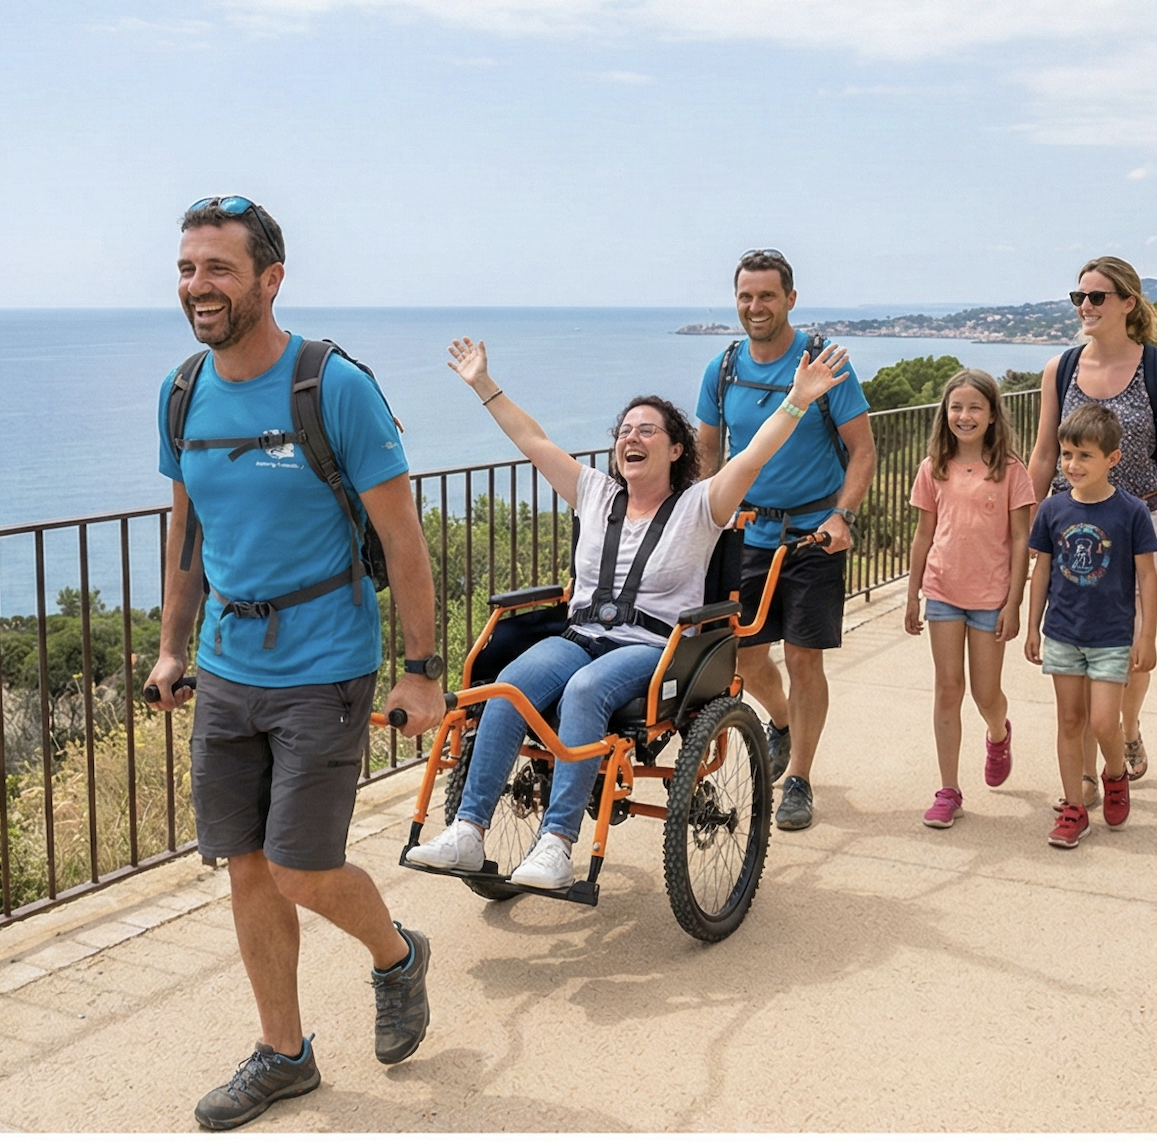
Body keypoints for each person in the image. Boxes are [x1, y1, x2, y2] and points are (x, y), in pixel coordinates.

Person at [144, 196, 446, 1131]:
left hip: (326, 664)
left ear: (270, 279)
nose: (200, 286)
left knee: (300, 868)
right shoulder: (183, 391)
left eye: (219, 269)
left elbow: (403, 538)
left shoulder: (331, 387)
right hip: (229, 666)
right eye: (190, 268)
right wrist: (169, 646)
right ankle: (285, 1054)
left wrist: (421, 667)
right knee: (244, 868)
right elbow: (187, 526)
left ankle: (396, 956)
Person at [406, 332, 852, 889]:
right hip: (581, 635)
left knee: (586, 690)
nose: (630, 438)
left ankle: (556, 842)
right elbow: (532, 439)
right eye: (623, 431)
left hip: (653, 649)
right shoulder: (593, 492)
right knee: (510, 684)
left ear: (675, 450)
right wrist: (482, 383)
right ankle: (468, 831)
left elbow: (756, 452)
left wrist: (797, 400)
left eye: (647, 430)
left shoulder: (701, 504)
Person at [695, 249, 876, 831]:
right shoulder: (722, 368)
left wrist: (843, 515)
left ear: (790, 299)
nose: (755, 307)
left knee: (803, 656)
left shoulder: (821, 364)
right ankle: (782, 722)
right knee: (745, 657)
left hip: (811, 534)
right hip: (746, 530)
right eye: (746, 296)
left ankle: (798, 777)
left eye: (767, 296)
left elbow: (864, 451)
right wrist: (702, 520)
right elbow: (706, 454)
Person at [1027, 256, 1157, 808]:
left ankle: (1125, 727)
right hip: (1070, 525)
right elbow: (1046, 451)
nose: (1086, 307)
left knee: (1131, 643)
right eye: (1080, 298)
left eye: (1097, 297)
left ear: (1128, 302)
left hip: (1140, 519)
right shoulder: (1062, 367)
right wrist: (1025, 526)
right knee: (1075, 637)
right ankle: (1089, 776)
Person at [1025, 403, 1157, 848]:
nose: (1072, 465)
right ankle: (1073, 809)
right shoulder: (1051, 510)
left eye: (1084, 456)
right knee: (1069, 720)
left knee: (1104, 722)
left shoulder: (1131, 512)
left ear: (1112, 459)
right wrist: (1032, 627)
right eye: (1066, 455)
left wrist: (1148, 636)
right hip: (1063, 631)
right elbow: (1041, 571)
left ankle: (1115, 774)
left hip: (1111, 635)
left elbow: (1145, 577)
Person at [904, 369, 1035, 828]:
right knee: (947, 689)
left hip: (989, 598)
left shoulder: (1011, 470)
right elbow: (923, 536)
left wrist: (1014, 602)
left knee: (984, 692)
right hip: (942, 592)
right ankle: (948, 790)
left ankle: (998, 733)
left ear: (993, 415)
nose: (964, 416)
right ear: (945, 413)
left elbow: (1022, 539)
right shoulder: (932, 468)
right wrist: (912, 595)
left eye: (975, 407)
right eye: (956, 407)